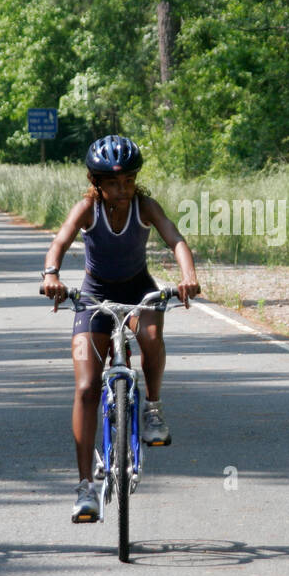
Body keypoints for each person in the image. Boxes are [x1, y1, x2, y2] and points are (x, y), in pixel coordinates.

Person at [40, 135, 200, 523]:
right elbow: (59, 241)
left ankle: (153, 409)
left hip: (137, 288)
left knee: (150, 336)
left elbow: (175, 238)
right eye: (113, 182)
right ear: (96, 182)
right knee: (85, 387)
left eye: (128, 180)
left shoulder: (144, 205)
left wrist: (188, 275)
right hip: (93, 294)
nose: (122, 189)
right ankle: (84, 488)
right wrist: (52, 275)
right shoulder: (87, 208)